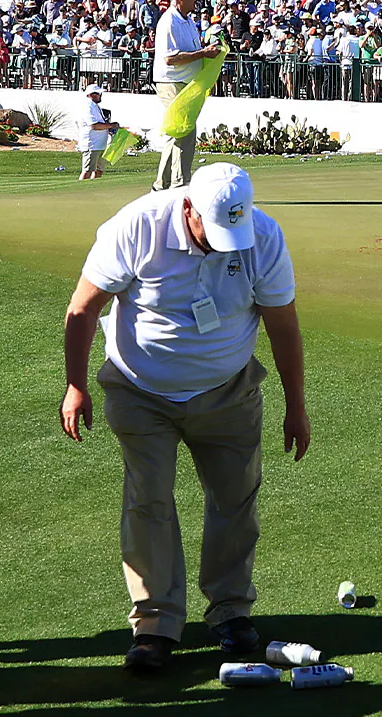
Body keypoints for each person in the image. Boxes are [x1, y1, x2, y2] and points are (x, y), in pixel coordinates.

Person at [59, 163, 311, 673]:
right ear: (189, 208)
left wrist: (296, 405)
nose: (225, 245)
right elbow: (84, 308)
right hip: (140, 389)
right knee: (149, 500)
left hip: (229, 391)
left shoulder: (260, 235)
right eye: (213, 233)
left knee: (235, 500)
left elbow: (283, 324)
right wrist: (76, 384)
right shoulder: (136, 226)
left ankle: (231, 612)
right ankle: (155, 623)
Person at [151, 0, 221, 190]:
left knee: (178, 132)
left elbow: (193, 52)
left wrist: (208, 52)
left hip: (187, 82)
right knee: (184, 130)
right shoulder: (169, 22)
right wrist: (204, 53)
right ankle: (179, 185)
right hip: (170, 82)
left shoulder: (188, 21)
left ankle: (162, 186)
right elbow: (170, 58)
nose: (196, 2)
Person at [79, 83, 118, 178]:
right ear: (90, 95)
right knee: (87, 171)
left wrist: (110, 127)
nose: (100, 95)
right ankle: (80, 190)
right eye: (97, 93)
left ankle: (92, 189)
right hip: (92, 144)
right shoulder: (88, 106)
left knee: (99, 170)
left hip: (100, 144)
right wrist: (111, 125)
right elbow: (94, 125)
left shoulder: (95, 106)